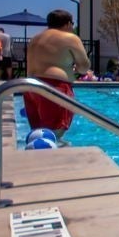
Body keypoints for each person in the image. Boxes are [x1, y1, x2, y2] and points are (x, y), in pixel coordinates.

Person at [23, 9, 90, 142]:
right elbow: (84, 67)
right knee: (54, 134)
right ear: (68, 24)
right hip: (54, 87)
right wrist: (76, 69)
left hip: (30, 87)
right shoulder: (69, 37)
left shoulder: (35, 38)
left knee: (38, 133)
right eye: (72, 24)